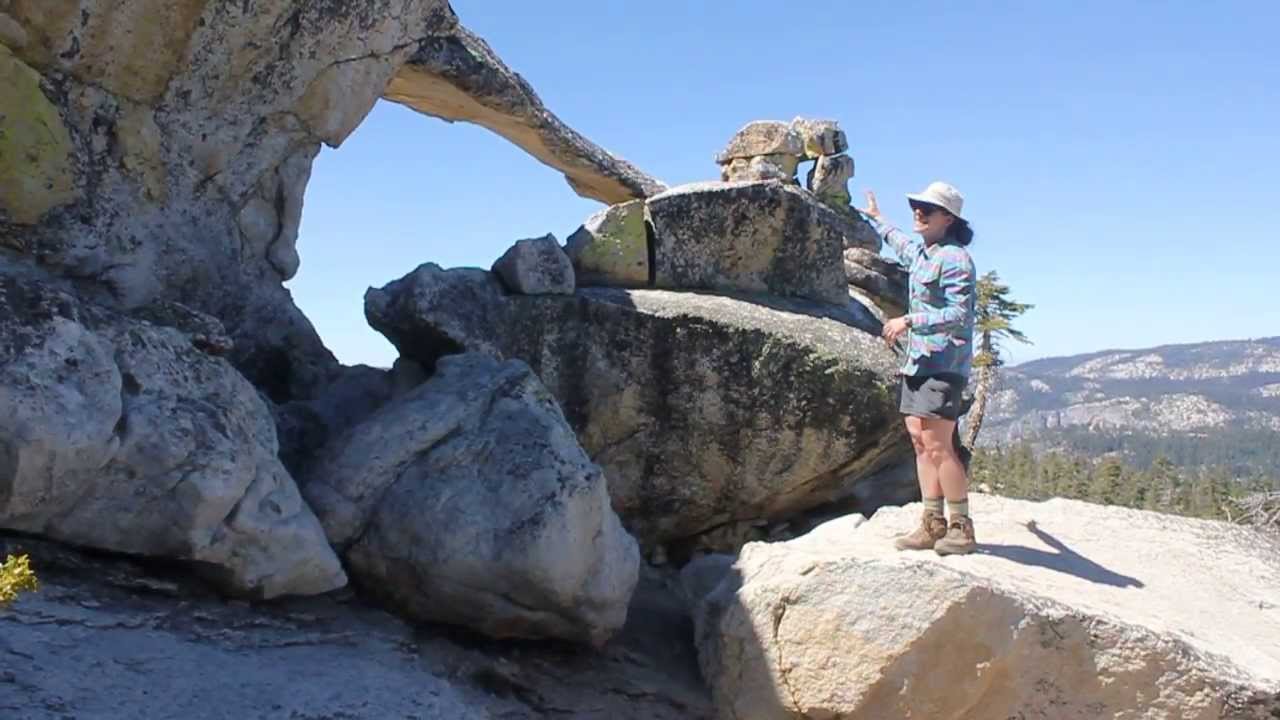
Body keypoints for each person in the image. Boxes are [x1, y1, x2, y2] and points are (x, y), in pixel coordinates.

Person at [859, 182, 978, 555]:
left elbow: (959, 314)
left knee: (939, 446)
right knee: (919, 439)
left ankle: (961, 527)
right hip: (919, 361)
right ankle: (932, 523)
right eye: (916, 206)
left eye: (928, 208)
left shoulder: (956, 259)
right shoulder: (925, 254)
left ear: (949, 218)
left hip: (943, 363)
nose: (918, 212)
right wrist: (879, 219)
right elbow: (901, 244)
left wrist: (909, 321)